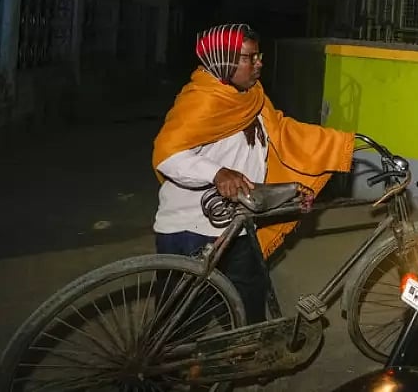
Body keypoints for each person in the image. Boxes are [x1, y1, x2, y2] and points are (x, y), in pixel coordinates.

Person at [151, 23, 355, 323]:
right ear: (224, 60)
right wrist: (217, 173)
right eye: (249, 58)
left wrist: (338, 144)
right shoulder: (201, 101)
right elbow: (168, 156)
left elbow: (279, 132)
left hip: (236, 222)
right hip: (192, 227)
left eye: (259, 56)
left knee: (248, 307)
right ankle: (166, 355)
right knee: (180, 319)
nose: (259, 64)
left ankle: (244, 349)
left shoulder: (251, 95)